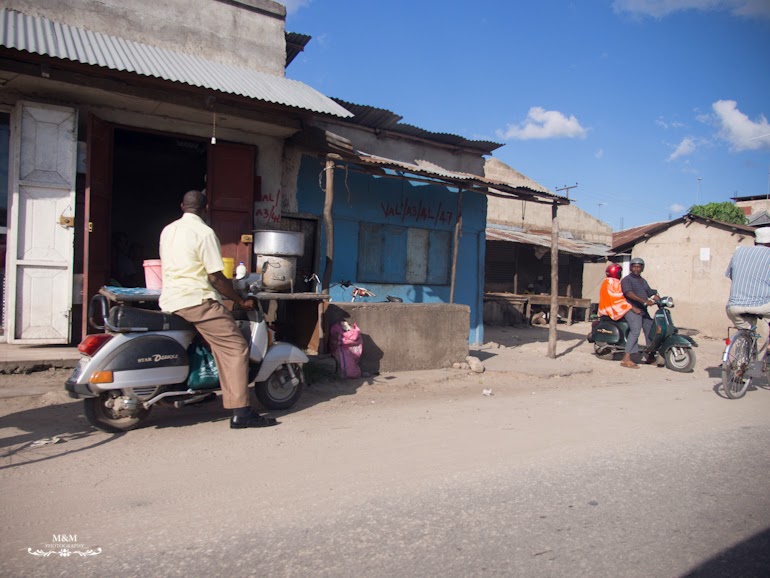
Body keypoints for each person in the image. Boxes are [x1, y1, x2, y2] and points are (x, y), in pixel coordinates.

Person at [159, 190, 277, 429]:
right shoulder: (204, 233)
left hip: (171, 299)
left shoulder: (168, 230)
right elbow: (216, 278)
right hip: (197, 301)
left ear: (182, 206)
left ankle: (198, 391)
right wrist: (240, 300)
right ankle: (241, 411)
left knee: (206, 342)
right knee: (236, 347)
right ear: (206, 208)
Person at [725, 226, 770, 330]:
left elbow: (732, 276)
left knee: (749, 332)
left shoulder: (739, 251)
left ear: (755, 242)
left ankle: (747, 342)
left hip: (734, 307)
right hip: (761, 305)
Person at [620, 257, 660, 369]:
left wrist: (658, 298)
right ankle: (626, 358)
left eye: (639, 267)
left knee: (651, 329)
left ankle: (650, 355)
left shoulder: (642, 281)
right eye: (635, 266)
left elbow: (649, 291)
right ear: (631, 267)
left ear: (642, 268)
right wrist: (644, 301)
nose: (637, 268)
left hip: (642, 310)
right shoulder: (626, 280)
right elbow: (629, 294)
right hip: (631, 309)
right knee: (635, 331)